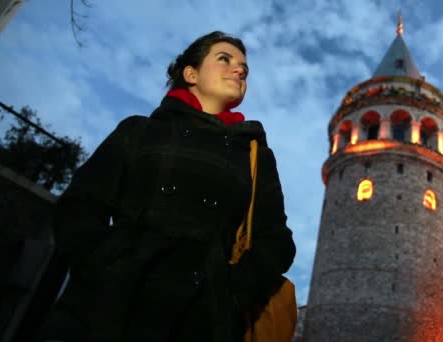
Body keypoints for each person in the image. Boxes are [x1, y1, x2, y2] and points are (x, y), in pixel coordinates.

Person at [38, 31, 296, 342]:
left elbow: (276, 239)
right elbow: (81, 205)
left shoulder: (254, 155)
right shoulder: (139, 131)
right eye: (224, 59)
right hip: (104, 310)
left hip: (201, 319)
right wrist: (107, 266)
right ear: (191, 74)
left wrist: (230, 291)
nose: (240, 70)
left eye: (244, 67)